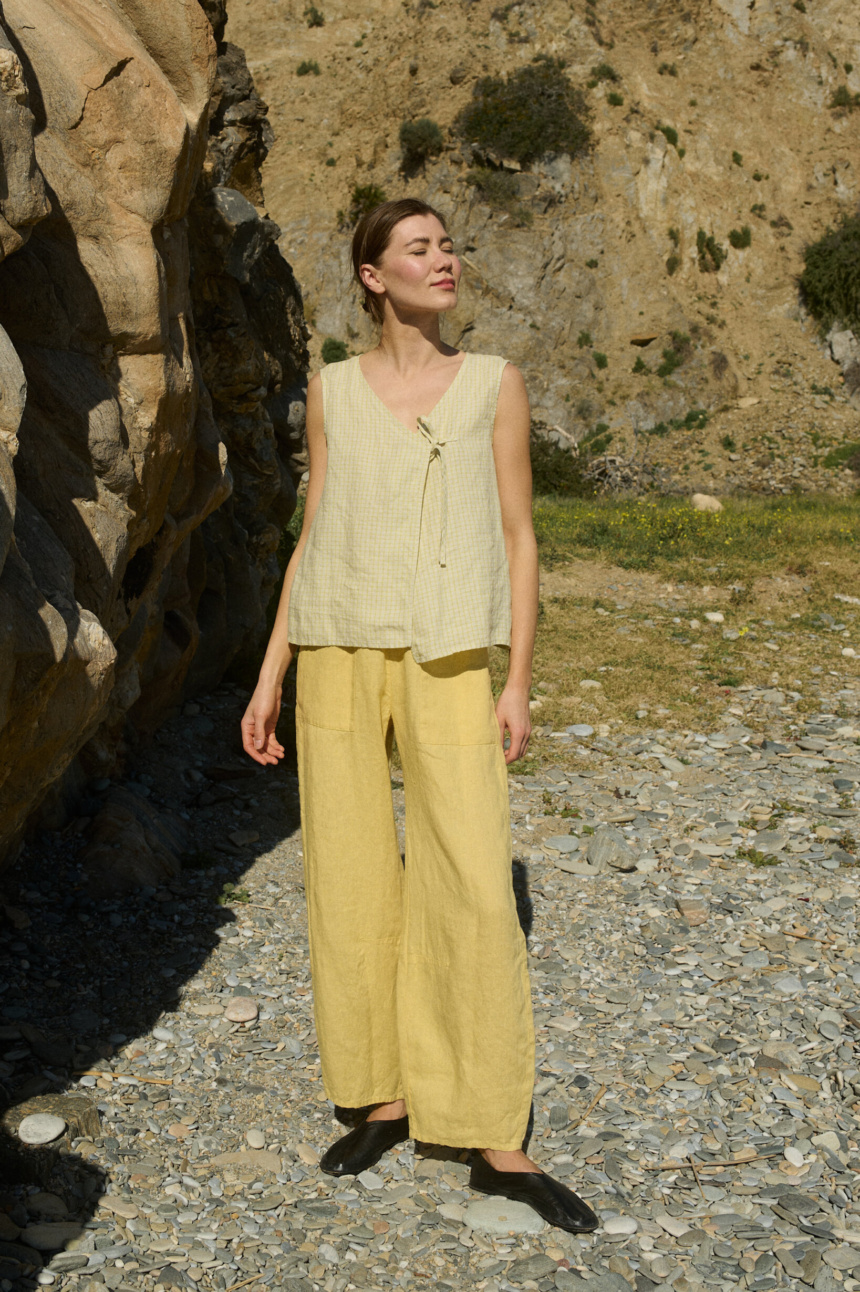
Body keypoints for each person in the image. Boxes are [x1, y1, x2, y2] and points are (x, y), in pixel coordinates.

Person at [240, 198, 598, 1234]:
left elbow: (522, 538)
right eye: (418, 247)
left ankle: (494, 1133)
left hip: (449, 652)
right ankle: (382, 1094)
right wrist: (270, 675)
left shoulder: (493, 383)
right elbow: (312, 537)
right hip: (339, 644)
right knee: (347, 874)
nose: (443, 260)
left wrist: (517, 677)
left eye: (447, 245)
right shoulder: (332, 392)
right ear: (370, 275)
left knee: (474, 879)